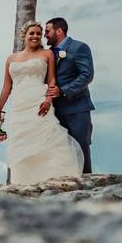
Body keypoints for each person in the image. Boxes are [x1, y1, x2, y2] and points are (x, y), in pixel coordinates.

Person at [0, 20, 84, 184]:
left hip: (38, 102)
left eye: (38, 33)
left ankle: (53, 179)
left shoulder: (47, 54)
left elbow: (51, 80)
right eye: (32, 33)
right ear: (25, 36)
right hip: (19, 105)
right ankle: (22, 182)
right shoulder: (11, 59)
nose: (35, 36)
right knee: (21, 142)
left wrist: (48, 100)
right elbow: (6, 87)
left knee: (45, 140)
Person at [44, 17, 95, 173]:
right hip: (54, 111)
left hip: (77, 108)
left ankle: (87, 185)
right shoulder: (46, 54)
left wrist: (63, 90)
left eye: (47, 31)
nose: (44, 35)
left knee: (80, 147)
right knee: (59, 151)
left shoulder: (79, 47)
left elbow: (87, 75)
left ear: (59, 31)